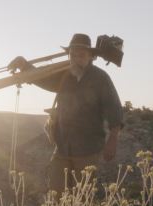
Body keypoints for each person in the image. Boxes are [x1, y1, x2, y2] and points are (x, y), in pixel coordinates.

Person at [8, 33, 124, 193]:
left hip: (87, 149)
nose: (76, 58)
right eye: (73, 54)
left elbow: (114, 109)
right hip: (62, 147)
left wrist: (113, 140)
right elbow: (43, 77)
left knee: (82, 197)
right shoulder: (64, 76)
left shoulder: (100, 78)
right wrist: (24, 65)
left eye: (81, 54)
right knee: (56, 194)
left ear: (90, 56)